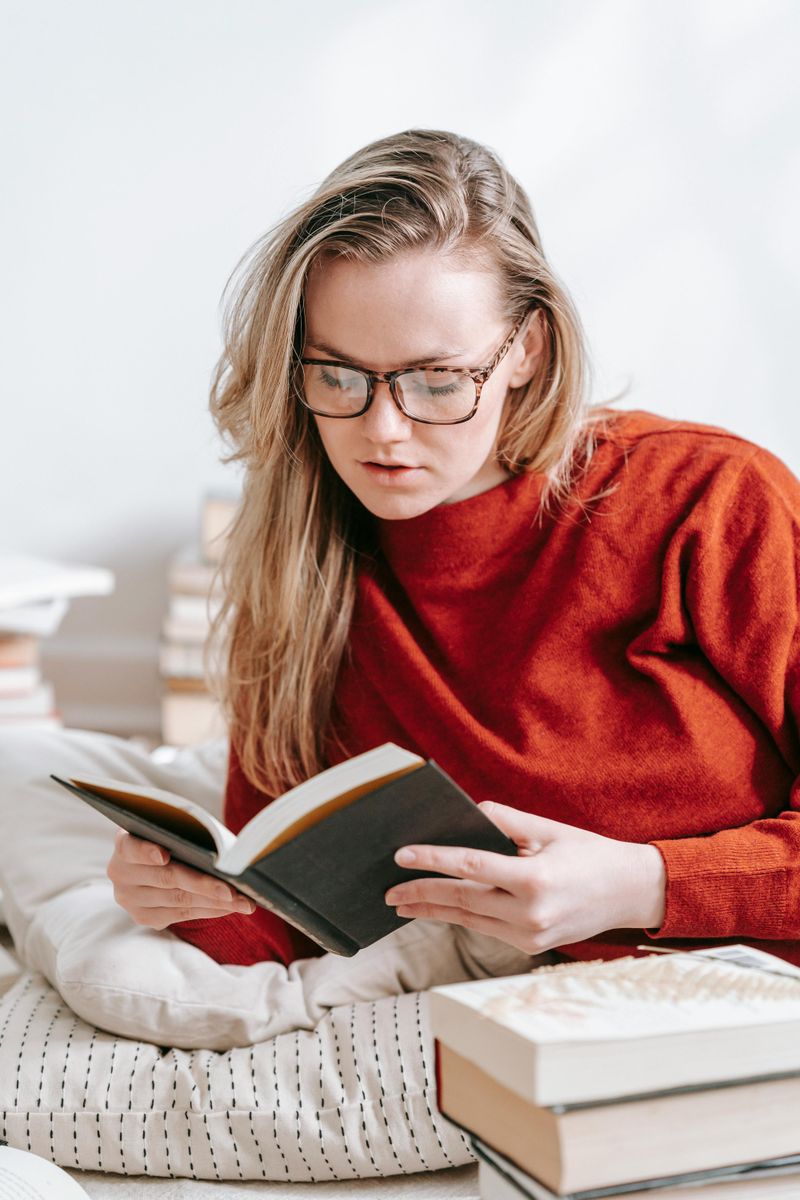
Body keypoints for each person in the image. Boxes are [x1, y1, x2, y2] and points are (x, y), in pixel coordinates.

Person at [107, 127, 800, 972]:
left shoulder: (712, 500)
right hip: (502, 1020)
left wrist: (644, 885)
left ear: (527, 351)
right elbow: (289, 930)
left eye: (437, 380)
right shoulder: (304, 566)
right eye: (338, 375)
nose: (383, 429)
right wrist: (183, 903)